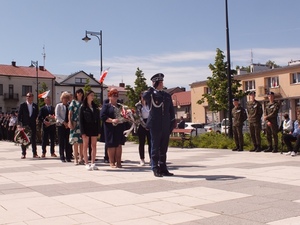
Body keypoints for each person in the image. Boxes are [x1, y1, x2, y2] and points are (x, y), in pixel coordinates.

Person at [143, 73, 176, 177]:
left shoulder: (166, 95)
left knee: (163, 147)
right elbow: (144, 97)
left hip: (165, 125)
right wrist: (151, 88)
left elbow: (171, 110)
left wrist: (172, 122)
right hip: (155, 124)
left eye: (162, 82)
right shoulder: (151, 94)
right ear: (155, 83)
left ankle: (163, 167)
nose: (161, 84)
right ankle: (155, 167)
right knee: (155, 147)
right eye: (159, 82)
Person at [100, 88, 126, 168]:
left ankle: (118, 162)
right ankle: (111, 162)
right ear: (109, 97)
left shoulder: (120, 106)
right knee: (111, 145)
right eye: (113, 96)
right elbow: (103, 116)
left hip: (119, 127)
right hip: (109, 128)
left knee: (118, 144)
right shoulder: (106, 106)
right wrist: (112, 120)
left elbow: (124, 115)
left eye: (116, 96)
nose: (115, 97)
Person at [79, 90, 101, 171]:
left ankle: (93, 163)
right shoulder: (82, 107)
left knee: (94, 146)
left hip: (94, 128)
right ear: (87, 96)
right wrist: (82, 132)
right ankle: (86, 163)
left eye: (93, 95)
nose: (93, 96)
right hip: (86, 128)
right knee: (85, 145)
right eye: (91, 95)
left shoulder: (95, 107)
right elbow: (80, 120)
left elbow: (98, 120)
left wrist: (99, 130)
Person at [18, 92, 39, 158]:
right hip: (25, 124)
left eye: (30, 96)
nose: (29, 97)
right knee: (24, 139)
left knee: (33, 139)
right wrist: (19, 124)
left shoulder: (35, 105)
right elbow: (19, 115)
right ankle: (23, 153)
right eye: (27, 96)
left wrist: (36, 120)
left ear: (32, 97)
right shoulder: (23, 105)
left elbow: (37, 114)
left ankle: (34, 153)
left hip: (32, 124)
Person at [69, 88, 84, 165]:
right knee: (75, 142)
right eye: (78, 92)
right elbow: (70, 113)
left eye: (81, 93)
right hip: (75, 123)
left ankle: (81, 158)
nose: (80, 94)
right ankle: (75, 158)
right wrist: (70, 122)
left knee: (82, 142)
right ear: (76, 94)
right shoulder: (73, 102)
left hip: (82, 124)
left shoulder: (84, 102)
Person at [55, 91, 72, 162]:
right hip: (61, 125)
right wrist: (64, 122)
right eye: (64, 98)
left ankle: (68, 156)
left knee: (68, 142)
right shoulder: (59, 105)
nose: (65, 99)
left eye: (66, 98)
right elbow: (57, 115)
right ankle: (62, 156)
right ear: (62, 98)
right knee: (61, 141)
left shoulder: (69, 106)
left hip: (68, 126)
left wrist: (69, 123)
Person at [135, 92, 151, 166]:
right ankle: (142, 159)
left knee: (151, 143)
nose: (144, 98)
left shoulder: (150, 104)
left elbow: (152, 115)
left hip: (149, 123)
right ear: (140, 97)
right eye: (142, 96)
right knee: (142, 143)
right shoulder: (138, 105)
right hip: (141, 124)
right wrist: (145, 126)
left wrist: (149, 124)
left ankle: (152, 159)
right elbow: (139, 116)